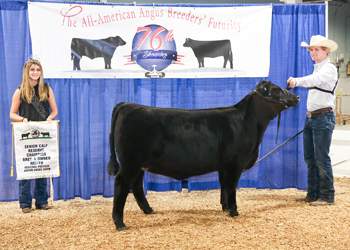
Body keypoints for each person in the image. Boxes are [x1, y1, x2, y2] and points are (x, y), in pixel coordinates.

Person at [287, 35, 338, 206]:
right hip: (312, 118)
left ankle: (327, 196)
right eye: (311, 50)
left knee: (321, 158)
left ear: (326, 51)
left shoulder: (329, 68)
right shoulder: (318, 68)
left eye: (316, 49)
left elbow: (314, 81)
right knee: (310, 158)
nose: (312, 53)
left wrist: (296, 81)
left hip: (323, 117)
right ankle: (313, 193)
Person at [9, 57, 58, 213]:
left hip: (43, 133)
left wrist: (49, 118)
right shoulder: (20, 91)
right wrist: (23, 119)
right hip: (26, 134)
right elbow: (12, 113)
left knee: (42, 166)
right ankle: (25, 203)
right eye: (32, 70)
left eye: (38, 70)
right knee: (26, 168)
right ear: (27, 72)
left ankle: (42, 201)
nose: (35, 72)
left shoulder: (46, 89)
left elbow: (54, 110)